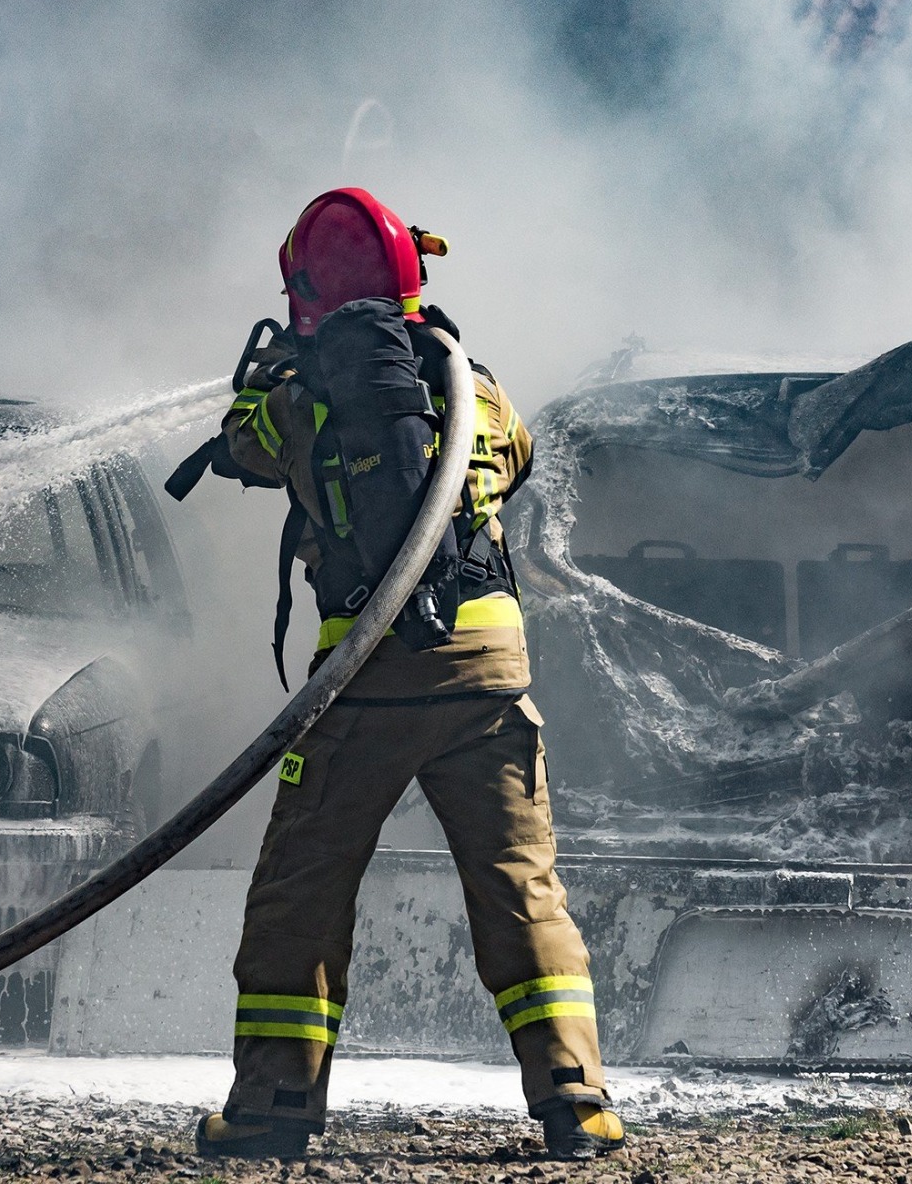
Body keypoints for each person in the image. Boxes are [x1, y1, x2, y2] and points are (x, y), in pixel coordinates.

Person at [177, 188, 623, 1161]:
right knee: (519, 889)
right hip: (484, 668)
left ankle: (271, 1110)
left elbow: (243, 447)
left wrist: (274, 387)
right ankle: (574, 1103)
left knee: (301, 889)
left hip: (365, 677)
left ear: (305, 292)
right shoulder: (476, 391)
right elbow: (517, 458)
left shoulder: (298, 401)